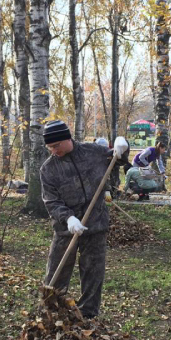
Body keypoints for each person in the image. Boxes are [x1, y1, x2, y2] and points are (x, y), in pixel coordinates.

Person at [40, 120, 128, 319]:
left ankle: (88, 315)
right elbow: (51, 201)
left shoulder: (93, 152)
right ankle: (52, 313)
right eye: (49, 147)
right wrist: (69, 218)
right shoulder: (48, 169)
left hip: (95, 225)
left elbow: (118, 159)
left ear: (67, 138)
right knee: (56, 273)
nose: (53, 151)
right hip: (65, 229)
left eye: (56, 145)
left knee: (93, 273)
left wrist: (124, 147)